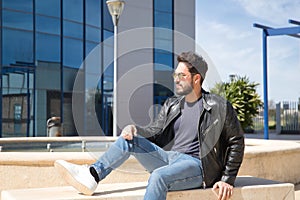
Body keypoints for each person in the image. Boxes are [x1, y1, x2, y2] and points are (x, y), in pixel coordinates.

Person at [55, 51, 244, 200]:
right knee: (128, 140)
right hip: (169, 158)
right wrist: (135, 130)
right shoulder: (173, 104)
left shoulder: (218, 106)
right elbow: (155, 131)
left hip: (196, 165)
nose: (176, 79)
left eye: (181, 75)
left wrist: (227, 180)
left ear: (196, 78)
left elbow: (236, 143)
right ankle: (93, 174)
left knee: (158, 177)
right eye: (175, 74)